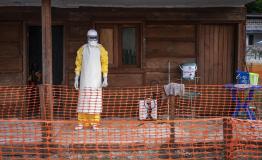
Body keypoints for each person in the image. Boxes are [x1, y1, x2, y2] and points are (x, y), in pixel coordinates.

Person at [74, 29, 108, 130]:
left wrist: (105, 78)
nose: (92, 39)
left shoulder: (101, 49)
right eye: (90, 37)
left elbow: (104, 64)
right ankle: (82, 122)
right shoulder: (82, 49)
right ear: (87, 37)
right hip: (84, 81)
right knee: (83, 101)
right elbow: (78, 64)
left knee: (95, 102)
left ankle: (95, 122)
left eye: (94, 37)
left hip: (96, 81)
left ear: (97, 38)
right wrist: (76, 78)